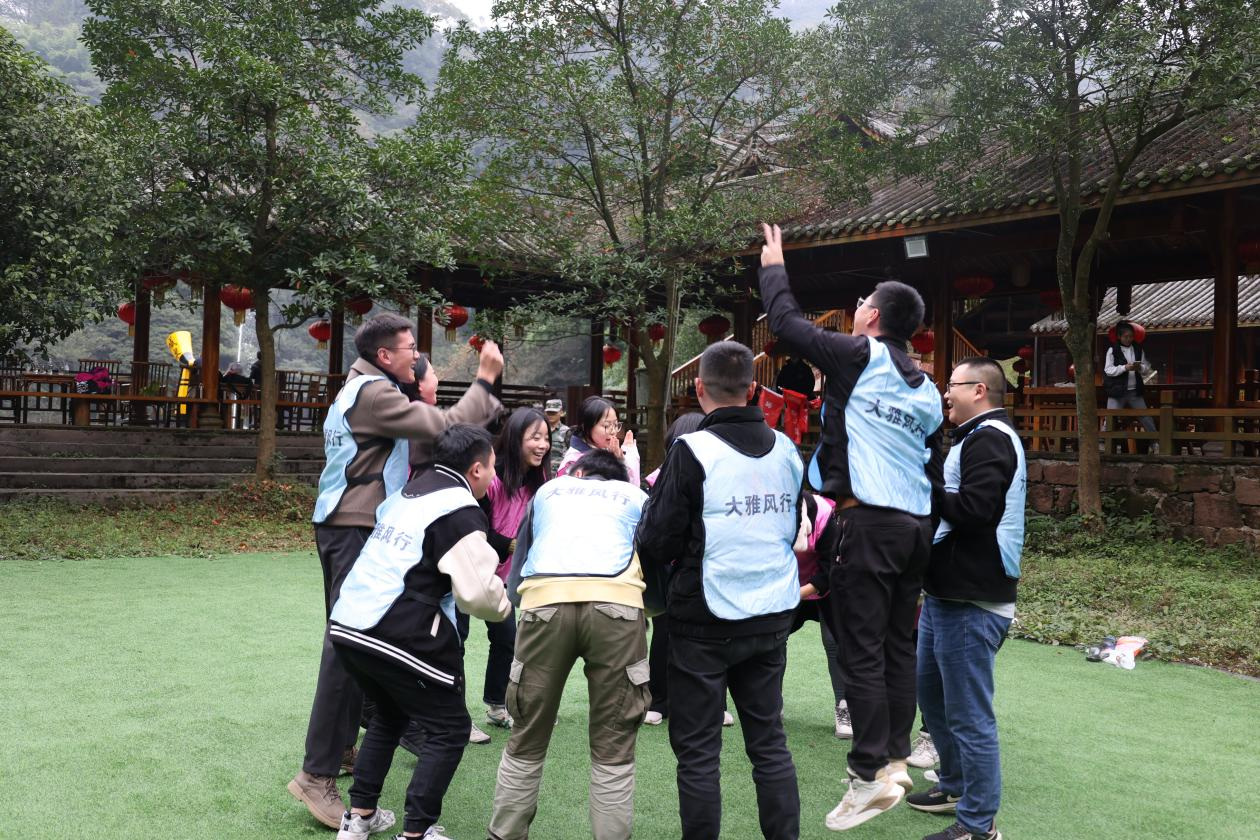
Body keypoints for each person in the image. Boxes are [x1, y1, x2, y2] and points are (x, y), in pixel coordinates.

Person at [758, 223, 945, 831]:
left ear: (873, 317)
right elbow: (933, 466)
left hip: (867, 523)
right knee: (897, 646)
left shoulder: (860, 356)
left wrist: (774, 265)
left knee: (862, 649)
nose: (856, 308)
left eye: (862, 302)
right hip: (915, 529)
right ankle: (894, 759)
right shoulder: (928, 389)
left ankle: (867, 775)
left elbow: (786, 324)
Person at [289, 313, 503, 830]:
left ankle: (344, 747)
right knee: (345, 645)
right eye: (411, 348)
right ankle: (316, 775)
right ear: (385, 356)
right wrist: (485, 381)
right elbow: (444, 427)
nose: (417, 356)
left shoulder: (360, 388)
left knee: (356, 640)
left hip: (347, 522)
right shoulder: (374, 393)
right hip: (353, 523)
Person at [637, 340, 804, 840]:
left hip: (703, 620)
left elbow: (657, 539)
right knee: (769, 743)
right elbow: (792, 523)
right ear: (753, 389)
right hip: (771, 614)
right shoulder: (787, 449)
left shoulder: (692, 450)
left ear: (698, 388)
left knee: (699, 753)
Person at [329, 424, 511, 840]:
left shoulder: (406, 495)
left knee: (390, 715)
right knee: (449, 729)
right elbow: (480, 595)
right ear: (477, 469)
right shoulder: (459, 509)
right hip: (396, 630)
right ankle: (418, 831)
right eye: (492, 468)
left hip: (349, 623)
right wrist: (507, 606)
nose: (493, 476)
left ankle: (358, 819)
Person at [487, 449, 649, 840]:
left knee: (526, 733)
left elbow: (521, 563)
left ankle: (504, 834)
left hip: (545, 603)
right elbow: (653, 560)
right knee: (614, 742)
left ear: (577, 472)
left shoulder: (550, 491)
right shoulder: (637, 496)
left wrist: (523, 605)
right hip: (619, 606)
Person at [909, 357, 1026, 840]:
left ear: (979, 390)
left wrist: (927, 485)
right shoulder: (971, 437)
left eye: (952, 385)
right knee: (933, 697)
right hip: (946, 593)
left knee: (969, 715)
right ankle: (954, 786)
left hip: (973, 598)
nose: (945, 394)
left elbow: (975, 511)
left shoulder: (991, 439)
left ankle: (979, 825)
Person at [472, 407, 552, 738]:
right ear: (516, 438)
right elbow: (475, 526)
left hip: (513, 577)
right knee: (460, 640)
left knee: (509, 638)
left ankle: (497, 705)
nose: (543, 445)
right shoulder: (491, 478)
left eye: (546, 438)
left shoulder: (541, 484)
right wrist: (511, 545)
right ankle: (455, 715)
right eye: (535, 437)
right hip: (476, 571)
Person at [788, 491, 850, 739]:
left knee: (834, 642)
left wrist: (796, 594)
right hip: (789, 582)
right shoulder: (777, 514)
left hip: (827, 586)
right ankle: (771, 703)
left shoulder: (827, 518)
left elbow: (828, 570)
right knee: (774, 638)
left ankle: (844, 707)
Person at [557, 395, 640, 488]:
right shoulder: (573, 462)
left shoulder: (607, 452)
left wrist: (622, 460)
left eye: (616, 425)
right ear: (586, 426)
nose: (613, 431)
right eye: (606, 426)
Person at [1102, 321, 1156, 448]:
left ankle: (1155, 442)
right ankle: (1103, 444)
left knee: (1145, 417)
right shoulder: (1112, 350)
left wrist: (1139, 367)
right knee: (1110, 418)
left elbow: (1146, 368)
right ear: (1119, 337)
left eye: (1131, 336)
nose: (1128, 339)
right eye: (1125, 336)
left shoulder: (1138, 349)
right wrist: (1124, 368)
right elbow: (1108, 370)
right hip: (1117, 391)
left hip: (1134, 391)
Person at [543, 398, 570, 474]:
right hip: (542, 471)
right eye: (549, 413)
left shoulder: (567, 431)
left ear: (561, 412)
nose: (551, 415)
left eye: (554, 413)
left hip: (559, 473)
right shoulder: (541, 430)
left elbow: (570, 454)